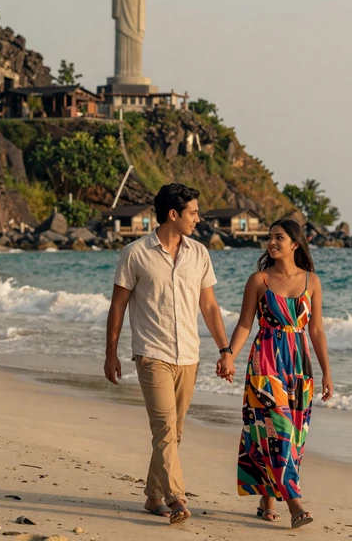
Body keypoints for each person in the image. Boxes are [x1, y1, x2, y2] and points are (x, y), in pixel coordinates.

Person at [105, 183, 232, 525]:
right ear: (173, 215)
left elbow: (209, 306)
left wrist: (225, 350)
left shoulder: (199, 254)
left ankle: (152, 496)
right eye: (193, 212)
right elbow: (117, 307)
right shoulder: (135, 253)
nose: (198, 218)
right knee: (164, 428)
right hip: (152, 353)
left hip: (189, 355)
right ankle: (177, 497)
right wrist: (111, 353)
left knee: (174, 433)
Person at [220, 219, 333, 529]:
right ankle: (295, 503)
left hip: (299, 365)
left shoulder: (312, 282)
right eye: (269, 237)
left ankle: (267, 496)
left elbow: (317, 330)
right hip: (265, 360)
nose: (271, 242)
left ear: (295, 244)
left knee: (294, 436)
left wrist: (326, 372)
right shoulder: (259, 280)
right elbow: (245, 324)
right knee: (276, 428)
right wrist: (229, 354)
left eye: (278, 237)